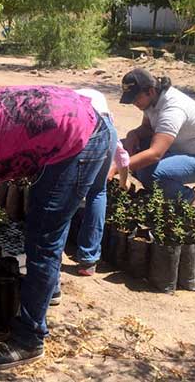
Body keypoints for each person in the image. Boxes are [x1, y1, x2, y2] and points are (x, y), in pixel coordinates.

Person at [0, 85, 111, 370]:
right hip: (82, 118)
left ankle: (29, 340)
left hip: (79, 140)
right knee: (50, 224)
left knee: (43, 239)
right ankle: (48, 290)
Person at [112, 68, 195, 203]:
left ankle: (187, 197)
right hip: (172, 150)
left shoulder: (173, 109)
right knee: (123, 149)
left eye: (136, 98)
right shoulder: (152, 101)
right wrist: (133, 134)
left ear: (150, 91)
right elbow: (147, 128)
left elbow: (155, 153)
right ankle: (158, 189)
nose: (135, 103)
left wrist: (116, 169)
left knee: (149, 173)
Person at [70, 88, 129, 277]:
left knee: (67, 192)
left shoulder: (72, 104)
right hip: (104, 134)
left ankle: (53, 254)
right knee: (98, 192)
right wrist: (123, 181)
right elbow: (123, 157)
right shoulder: (108, 125)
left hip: (79, 127)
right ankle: (88, 260)